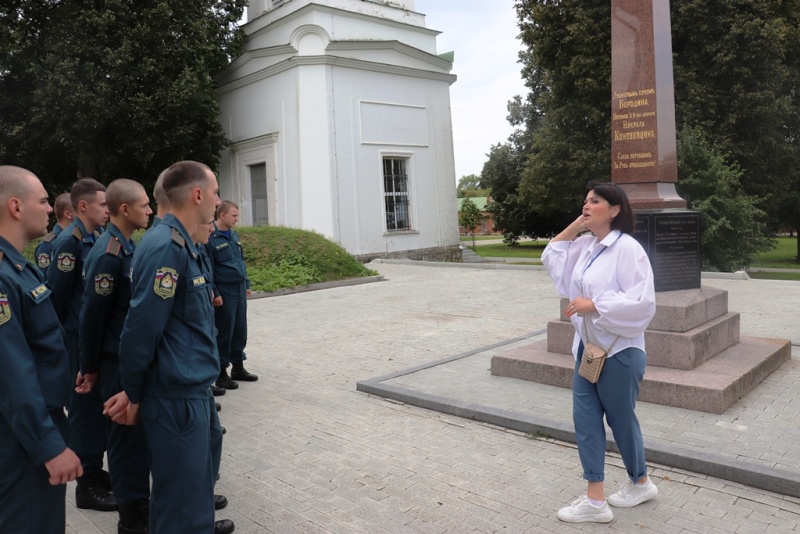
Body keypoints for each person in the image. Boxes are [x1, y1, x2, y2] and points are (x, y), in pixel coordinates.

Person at [110, 161, 234, 534]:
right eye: (215, 193)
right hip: (175, 396)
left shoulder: (181, 242)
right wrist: (133, 393)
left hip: (187, 391)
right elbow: (141, 327)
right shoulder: (167, 245)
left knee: (189, 498)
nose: (217, 201)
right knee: (182, 511)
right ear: (197, 195)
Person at [541, 182, 657, 523]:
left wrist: (594, 304)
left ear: (615, 209)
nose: (587, 205)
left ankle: (641, 482)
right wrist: (577, 225)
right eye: (585, 201)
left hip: (620, 352)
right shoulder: (587, 246)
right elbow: (553, 256)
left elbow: (643, 302)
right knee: (586, 421)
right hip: (587, 352)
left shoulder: (627, 249)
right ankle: (595, 499)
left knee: (621, 422)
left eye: (595, 201)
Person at [0, 165, 83, 533]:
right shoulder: (4, 276)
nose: (51, 209)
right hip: (20, 441)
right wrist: (48, 446)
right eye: (44, 200)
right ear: (16, 207)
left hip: (27, 430)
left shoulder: (20, 267)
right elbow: (11, 372)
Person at [77, 179, 152, 533]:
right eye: (144, 205)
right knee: (123, 441)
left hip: (128, 359)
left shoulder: (127, 247)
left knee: (135, 440)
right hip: (114, 363)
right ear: (125, 209)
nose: (150, 211)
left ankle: (141, 504)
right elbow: (92, 317)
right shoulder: (109, 253)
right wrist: (89, 367)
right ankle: (132, 518)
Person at [46, 177, 115, 511]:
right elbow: (55, 302)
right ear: (82, 206)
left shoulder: (95, 237)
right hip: (74, 342)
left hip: (89, 341)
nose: (108, 209)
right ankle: (86, 487)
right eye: (103, 204)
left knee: (95, 412)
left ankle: (95, 471)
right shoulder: (68, 244)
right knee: (85, 415)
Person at [208, 200, 257, 390]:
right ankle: (221, 373)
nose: (237, 219)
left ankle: (238, 367)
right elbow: (209, 267)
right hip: (224, 291)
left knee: (239, 329)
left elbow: (240, 262)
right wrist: (216, 292)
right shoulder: (212, 237)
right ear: (222, 215)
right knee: (224, 331)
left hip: (238, 288)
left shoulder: (233, 235)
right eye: (234, 216)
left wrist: (246, 283)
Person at [34, 192, 73, 274]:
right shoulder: (48, 244)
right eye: (79, 212)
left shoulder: (77, 239)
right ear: (68, 214)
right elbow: (46, 279)